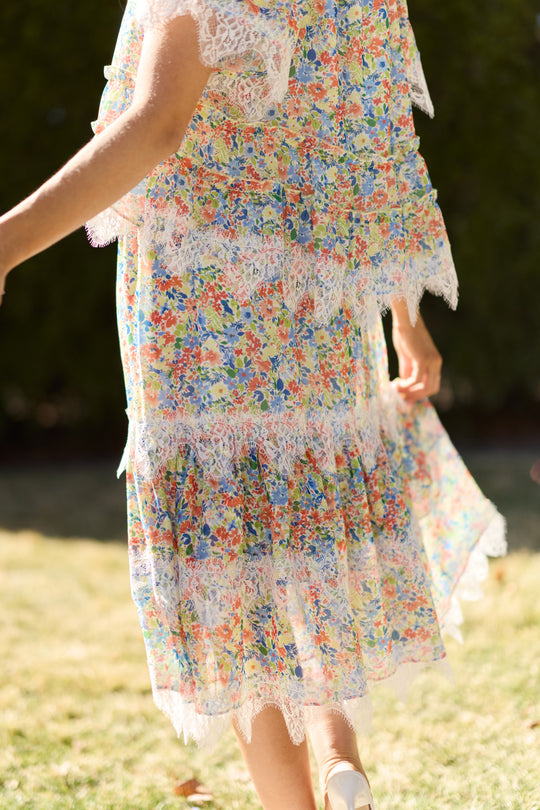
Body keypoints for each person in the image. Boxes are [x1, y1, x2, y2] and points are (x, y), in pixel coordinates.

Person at [0, 1, 506, 808]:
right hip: (319, 316)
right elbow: (371, 160)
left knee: (237, 578)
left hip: (204, 320)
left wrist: (7, 243)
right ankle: (340, 759)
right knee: (310, 538)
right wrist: (405, 320)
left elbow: (158, 126)